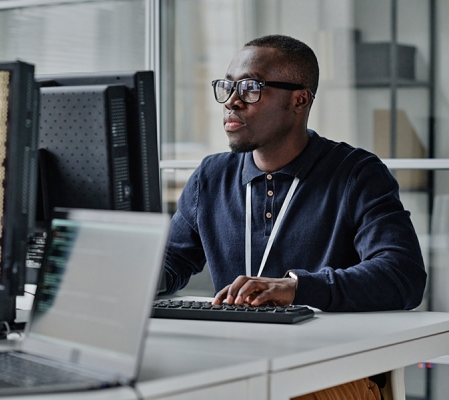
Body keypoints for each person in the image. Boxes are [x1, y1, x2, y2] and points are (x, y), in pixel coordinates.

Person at [161, 34, 427, 399]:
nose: (232, 101)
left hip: (333, 372)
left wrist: (296, 288)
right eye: (227, 86)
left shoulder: (356, 173)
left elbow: (402, 274)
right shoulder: (211, 177)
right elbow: (172, 261)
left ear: (299, 100)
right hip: (235, 364)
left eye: (251, 88)